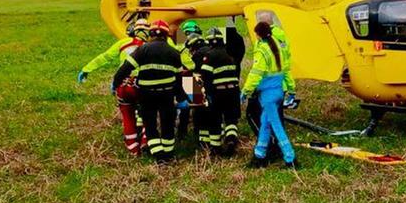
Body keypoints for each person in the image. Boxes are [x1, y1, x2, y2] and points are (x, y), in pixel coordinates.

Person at [112, 29, 189, 163]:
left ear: (151, 35)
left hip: (146, 95)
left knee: (150, 124)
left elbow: (125, 68)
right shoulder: (174, 52)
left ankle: (158, 154)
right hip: (166, 94)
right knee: (167, 124)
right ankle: (168, 153)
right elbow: (178, 80)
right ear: (166, 36)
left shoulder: (142, 49)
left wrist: (116, 83)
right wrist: (181, 98)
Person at [79, 19, 154, 155]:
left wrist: (87, 69)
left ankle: (133, 149)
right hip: (144, 86)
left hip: (124, 85)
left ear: (133, 31)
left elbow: (105, 57)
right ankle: (145, 141)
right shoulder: (151, 46)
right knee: (148, 114)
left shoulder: (123, 43)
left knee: (127, 115)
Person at [242, 20, 297, 168]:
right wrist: (291, 90)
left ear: (258, 35)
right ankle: (259, 156)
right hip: (279, 91)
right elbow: (286, 70)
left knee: (277, 127)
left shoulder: (262, 50)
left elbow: (255, 74)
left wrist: (245, 91)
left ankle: (290, 158)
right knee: (265, 125)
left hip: (267, 95)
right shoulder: (278, 46)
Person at [191, 27, 242, 155]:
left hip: (218, 92)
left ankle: (215, 149)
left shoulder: (208, 56)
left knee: (215, 120)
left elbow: (206, 77)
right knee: (231, 119)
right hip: (234, 91)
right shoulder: (231, 54)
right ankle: (231, 139)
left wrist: (206, 94)